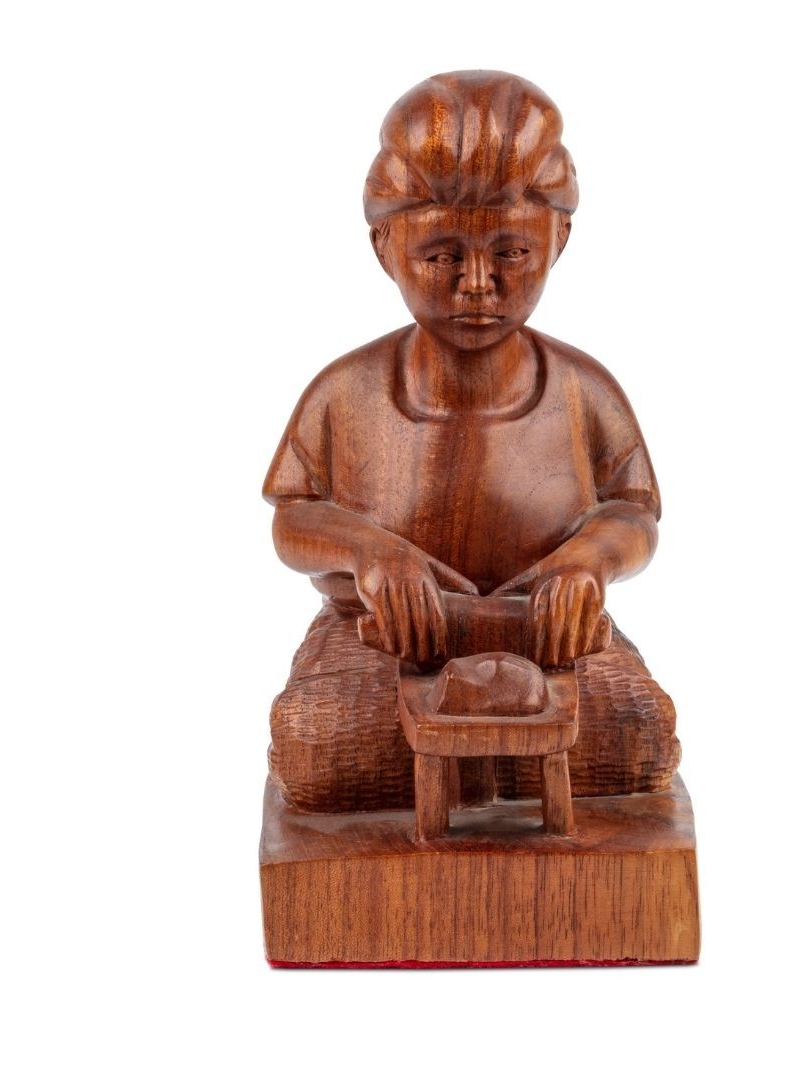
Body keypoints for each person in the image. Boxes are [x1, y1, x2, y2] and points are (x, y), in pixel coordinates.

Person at [263, 71, 679, 813]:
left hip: (548, 636)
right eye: (443, 256)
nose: (478, 284)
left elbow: (633, 512)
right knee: (318, 750)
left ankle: (485, 775)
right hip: (383, 640)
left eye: (512, 252)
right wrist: (371, 555)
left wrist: (587, 562)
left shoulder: (583, 390)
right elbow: (293, 519)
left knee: (639, 734)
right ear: (385, 246)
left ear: (559, 239)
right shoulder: (345, 392)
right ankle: (488, 773)